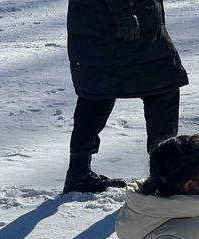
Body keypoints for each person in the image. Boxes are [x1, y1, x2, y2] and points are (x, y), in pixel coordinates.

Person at [64, 0, 188, 194]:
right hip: (121, 28)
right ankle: (163, 176)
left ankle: (78, 172)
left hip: (99, 26)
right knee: (163, 91)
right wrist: (124, 14)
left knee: (96, 94)